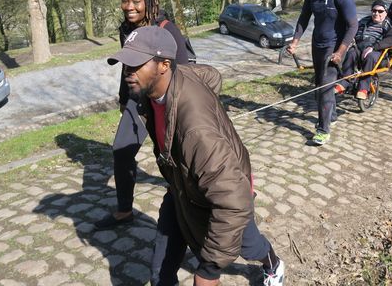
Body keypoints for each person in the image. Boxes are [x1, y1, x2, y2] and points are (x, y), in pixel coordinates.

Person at [107, 26, 284, 286]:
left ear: (164, 65)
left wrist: (209, 270)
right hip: (182, 186)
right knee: (161, 271)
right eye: (125, 65)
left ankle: (273, 264)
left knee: (247, 241)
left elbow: (234, 201)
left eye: (136, 65)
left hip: (222, 189)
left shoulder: (197, 129)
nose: (127, 73)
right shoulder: (154, 92)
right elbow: (210, 75)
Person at [95, 0, 196, 230]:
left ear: (151, 1)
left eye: (136, 1)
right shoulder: (126, 30)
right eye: (124, 1)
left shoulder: (167, 30)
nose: (129, 6)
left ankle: (191, 207)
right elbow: (127, 68)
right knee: (121, 151)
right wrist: (123, 99)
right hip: (137, 103)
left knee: (174, 159)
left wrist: (176, 113)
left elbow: (184, 73)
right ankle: (124, 211)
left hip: (167, 105)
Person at [286, 0, 358, 146]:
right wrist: (295, 42)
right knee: (319, 86)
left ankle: (322, 130)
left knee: (325, 87)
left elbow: (353, 25)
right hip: (317, 45)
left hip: (335, 47)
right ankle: (331, 115)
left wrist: (340, 52)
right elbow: (303, 19)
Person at [335, 0, 392, 100]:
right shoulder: (364, 21)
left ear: (386, 12)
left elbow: (390, 40)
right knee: (351, 53)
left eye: (380, 11)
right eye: (374, 11)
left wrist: (373, 47)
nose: (376, 13)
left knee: (370, 57)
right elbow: (353, 32)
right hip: (360, 46)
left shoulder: (389, 25)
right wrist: (350, 41)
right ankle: (345, 82)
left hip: (377, 51)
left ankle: (363, 89)